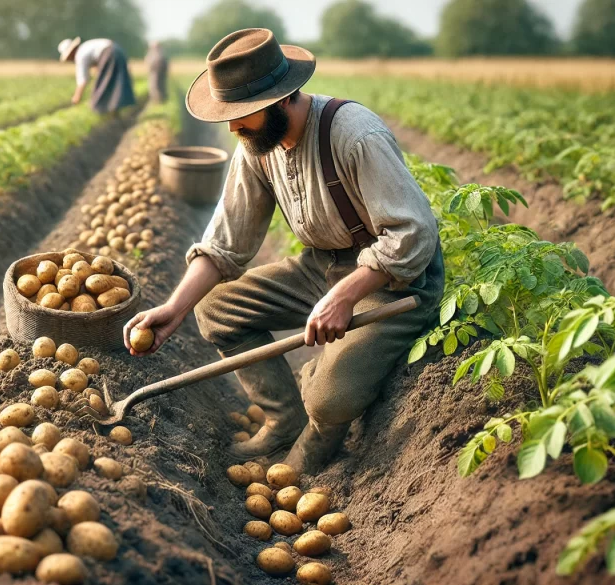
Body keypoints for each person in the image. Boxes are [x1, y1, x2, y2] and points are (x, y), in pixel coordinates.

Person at [123, 29, 444, 475]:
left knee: (329, 398)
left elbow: (413, 234)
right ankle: (283, 419)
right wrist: (174, 309)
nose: (234, 128)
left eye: (243, 115)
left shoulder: (354, 136)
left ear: (283, 99)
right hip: (322, 266)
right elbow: (225, 242)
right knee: (216, 310)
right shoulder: (257, 146)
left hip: (394, 280)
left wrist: (347, 294)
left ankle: (316, 431)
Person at [58, 36, 136, 115]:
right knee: (117, 82)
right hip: (117, 50)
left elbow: (82, 80)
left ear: (72, 52)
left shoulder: (80, 55)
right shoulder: (86, 47)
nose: (70, 59)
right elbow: (97, 67)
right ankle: (116, 111)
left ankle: (102, 111)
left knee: (101, 87)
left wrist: (76, 97)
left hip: (109, 53)